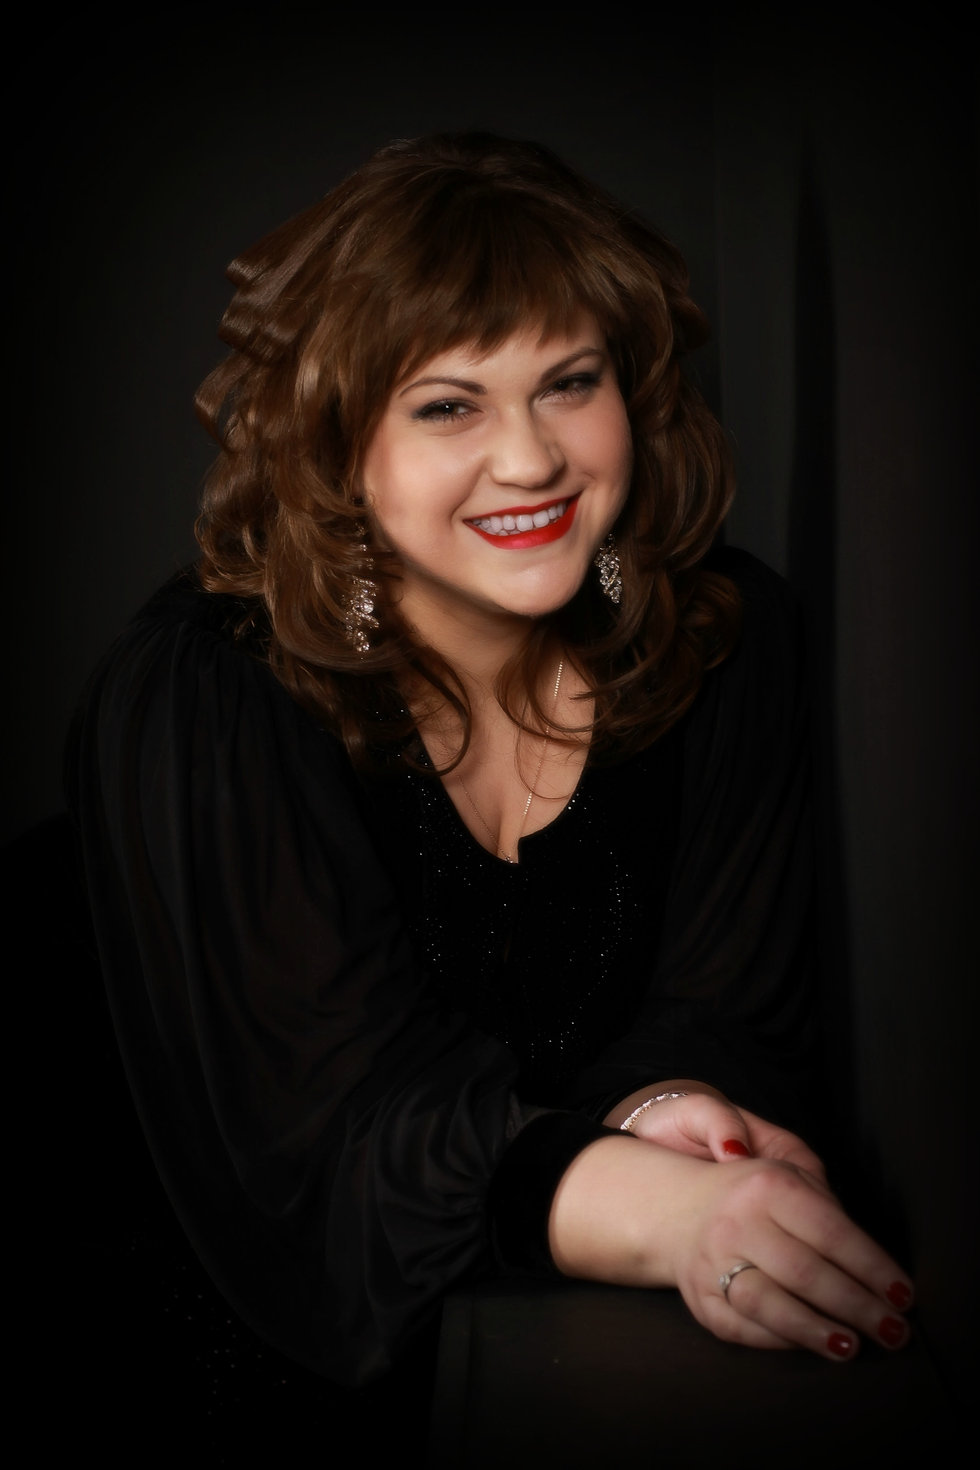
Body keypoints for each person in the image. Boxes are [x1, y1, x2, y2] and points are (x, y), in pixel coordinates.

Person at [66, 132, 913, 1433]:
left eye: (569, 383)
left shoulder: (727, 641)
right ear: (339, 446)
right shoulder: (203, 693)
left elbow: (727, 1007)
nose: (531, 461)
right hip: (215, 1335)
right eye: (448, 406)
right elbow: (336, 1144)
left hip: (545, 1348)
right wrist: (668, 1211)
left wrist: (675, 1111)